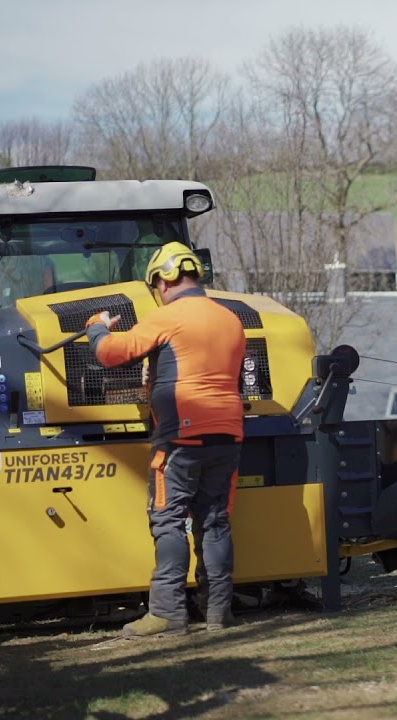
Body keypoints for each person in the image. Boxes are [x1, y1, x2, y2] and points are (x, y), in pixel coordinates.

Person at [84, 242, 247, 638]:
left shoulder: (167, 317)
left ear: (165, 277)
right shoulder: (231, 320)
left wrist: (96, 326)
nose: (158, 290)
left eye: (156, 283)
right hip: (228, 433)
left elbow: (111, 354)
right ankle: (217, 613)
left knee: (169, 521)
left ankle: (168, 614)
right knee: (215, 521)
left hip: (180, 438)